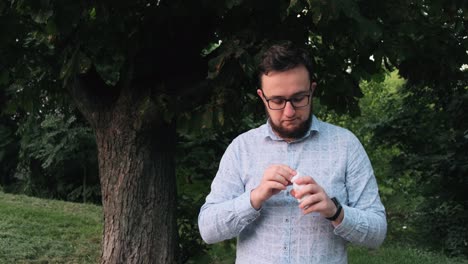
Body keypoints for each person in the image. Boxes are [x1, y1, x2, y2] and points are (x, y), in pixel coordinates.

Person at [198, 41, 387, 263]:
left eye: (298, 98)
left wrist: (336, 212)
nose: (289, 112)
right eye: (277, 100)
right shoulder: (242, 148)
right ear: (262, 97)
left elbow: (377, 234)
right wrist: (254, 198)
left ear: (312, 90)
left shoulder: (345, 145)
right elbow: (208, 230)